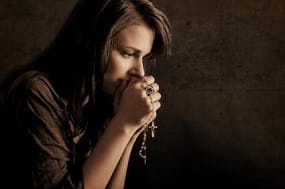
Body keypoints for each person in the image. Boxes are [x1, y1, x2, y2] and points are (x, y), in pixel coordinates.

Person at [2, 0, 171, 188]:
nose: (140, 72)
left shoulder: (99, 101)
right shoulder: (34, 92)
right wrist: (122, 124)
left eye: (144, 58)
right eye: (128, 53)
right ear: (93, 44)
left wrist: (130, 132)